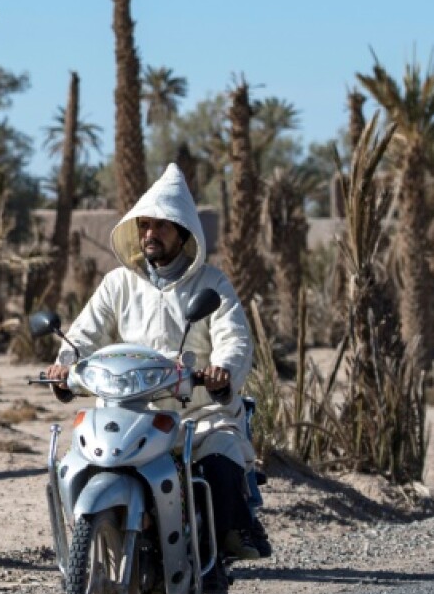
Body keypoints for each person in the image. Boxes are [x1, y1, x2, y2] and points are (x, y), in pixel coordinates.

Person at [45, 163, 271, 560]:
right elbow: (83, 335)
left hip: (195, 414)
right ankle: (94, 542)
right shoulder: (118, 283)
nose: (150, 234)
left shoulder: (211, 283)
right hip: (131, 413)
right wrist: (65, 365)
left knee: (219, 457)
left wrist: (222, 373)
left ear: (182, 232)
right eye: (145, 226)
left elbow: (234, 339)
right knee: (78, 460)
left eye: (161, 226)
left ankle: (231, 538)